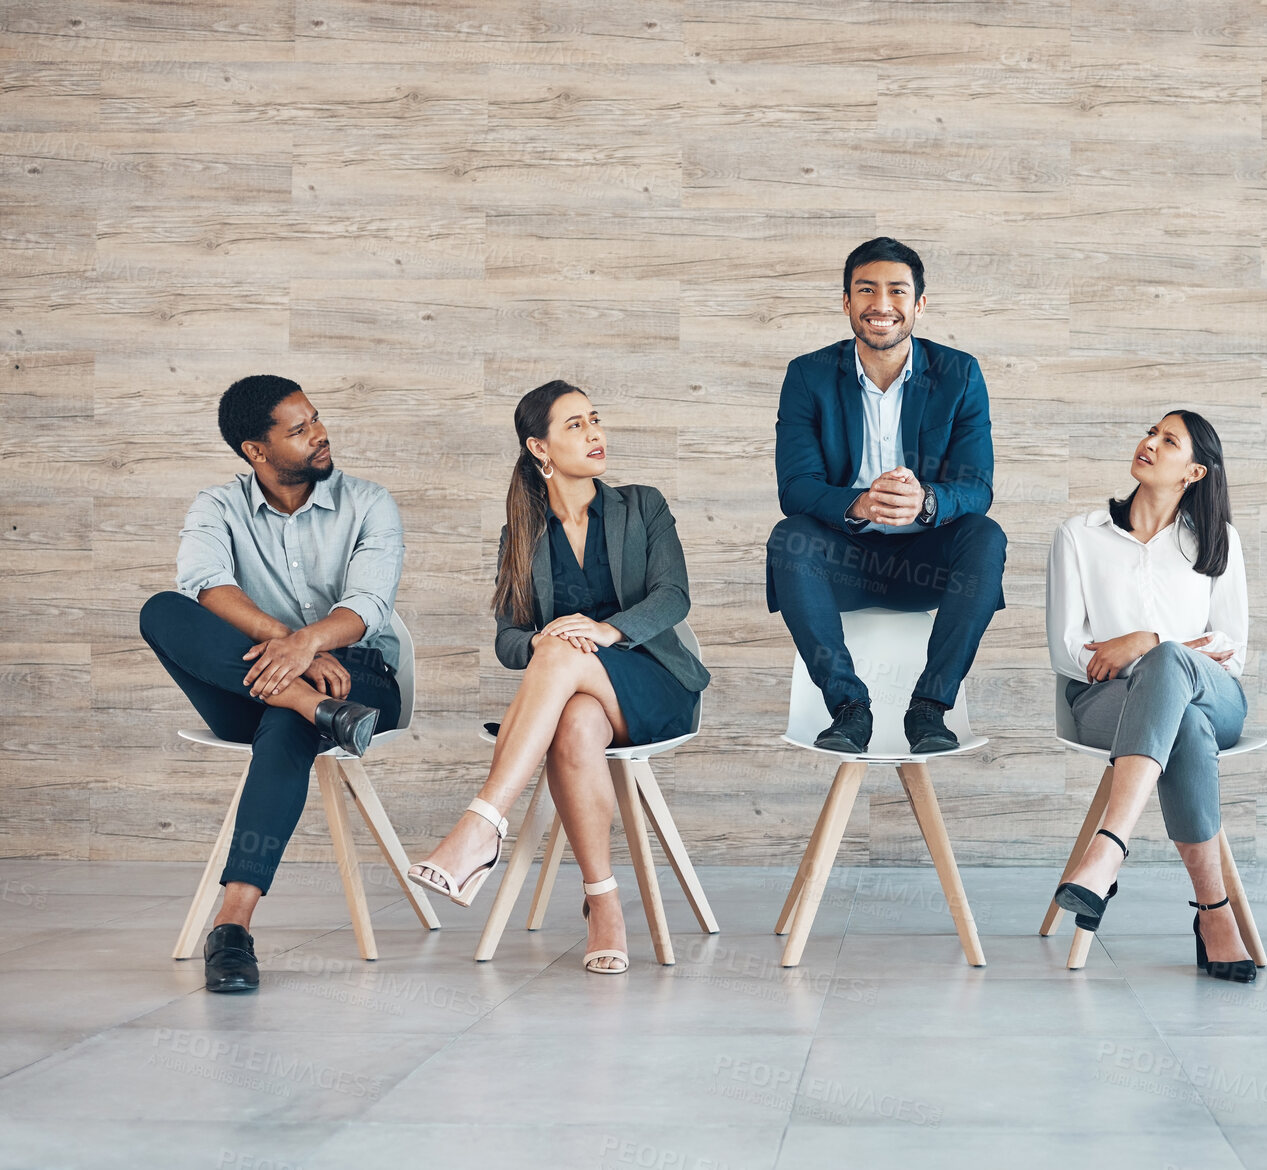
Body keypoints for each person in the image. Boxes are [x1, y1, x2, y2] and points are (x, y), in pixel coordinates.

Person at [408, 381, 708, 975]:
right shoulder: (520, 535)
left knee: (563, 655)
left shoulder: (643, 506)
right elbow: (508, 638)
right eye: (574, 425)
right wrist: (542, 642)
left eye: (594, 420)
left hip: (654, 685)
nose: (595, 433)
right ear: (539, 448)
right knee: (570, 717)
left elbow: (673, 597)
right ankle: (605, 906)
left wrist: (605, 632)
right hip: (577, 699)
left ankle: (481, 827)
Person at [139, 375, 405, 993]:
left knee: (288, 722)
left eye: (315, 418)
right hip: (263, 682)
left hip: (358, 679)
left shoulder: (369, 502)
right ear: (256, 451)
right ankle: (314, 707)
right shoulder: (216, 506)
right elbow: (205, 584)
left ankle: (232, 925)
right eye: (299, 429)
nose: (320, 434)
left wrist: (306, 646)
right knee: (162, 610)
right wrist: (292, 652)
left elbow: (368, 602)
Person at [765, 237, 1007, 755]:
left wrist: (927, 501)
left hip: (928, 562)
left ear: (919, 304)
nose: (881, 304)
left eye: (897, 291)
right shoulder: (807, 375)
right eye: (866, 290)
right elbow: (796, 488)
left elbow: (977, 488)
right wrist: (858, 504)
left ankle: (930, 708)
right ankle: (849, 708)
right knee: (791, 536)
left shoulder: (959, 373)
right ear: (846, 301)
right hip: (841, 564)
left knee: (984, 535)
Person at [1046, 411, 1255, 981]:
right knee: (1181, 724)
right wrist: (1167, 655)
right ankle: (1214, 914)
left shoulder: (1218, 542)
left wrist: (1149, 642)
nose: (1149, 444)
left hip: (1217, 699)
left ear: (1194, 472)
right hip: (1105, 701)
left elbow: (1231, 652)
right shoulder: (1079, 535)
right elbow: (1068, 652)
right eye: (1150, 433)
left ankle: (1108, 849)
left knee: (1170, 668)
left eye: (1168, 441)